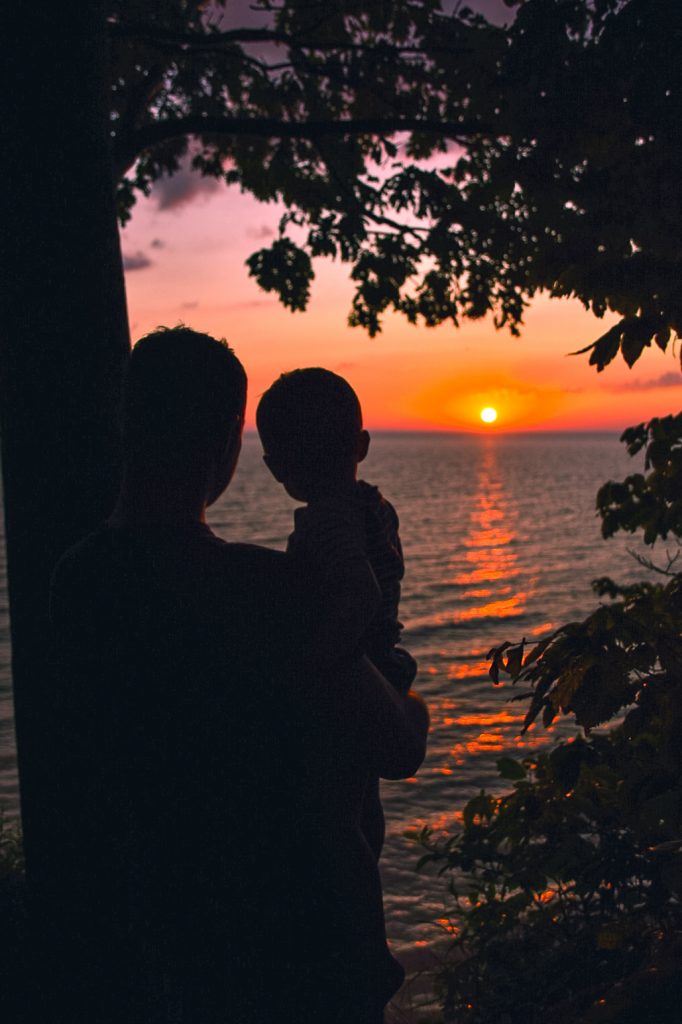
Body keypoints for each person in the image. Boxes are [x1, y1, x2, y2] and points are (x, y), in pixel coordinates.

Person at [48, 327, 429, 1024]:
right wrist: (412, 705)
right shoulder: (266, 588)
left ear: (126, 424)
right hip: (292, 953)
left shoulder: (75, 584)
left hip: (156, 943)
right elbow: (398, 746)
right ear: (229, 441)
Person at [256, 367, 417, 860]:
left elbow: (360, 593)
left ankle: (354, 902)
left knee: (335, 810)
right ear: (361, 445)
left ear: (274, 465)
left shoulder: (327, 520)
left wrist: (311, 665)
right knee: (359, 800)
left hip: (352, 674)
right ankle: (363, 892)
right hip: (381, 661)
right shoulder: (375, 506)